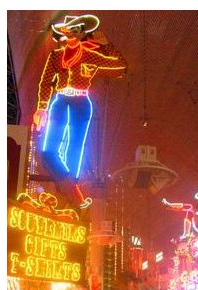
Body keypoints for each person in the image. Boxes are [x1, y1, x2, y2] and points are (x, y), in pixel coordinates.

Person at [33, 14, 127, 208]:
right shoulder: (56, 56)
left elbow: (120, 66)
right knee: (49, 150)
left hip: (81, 102)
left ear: (82, 33)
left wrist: (105, 44)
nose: (72, 33)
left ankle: (71, 191)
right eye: (69, 30)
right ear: (65, 32)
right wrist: (41, 107)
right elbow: (46, 82)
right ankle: (70, 188)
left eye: (77, 30)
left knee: (75, 148)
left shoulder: (89, 54)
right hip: (60, 101)